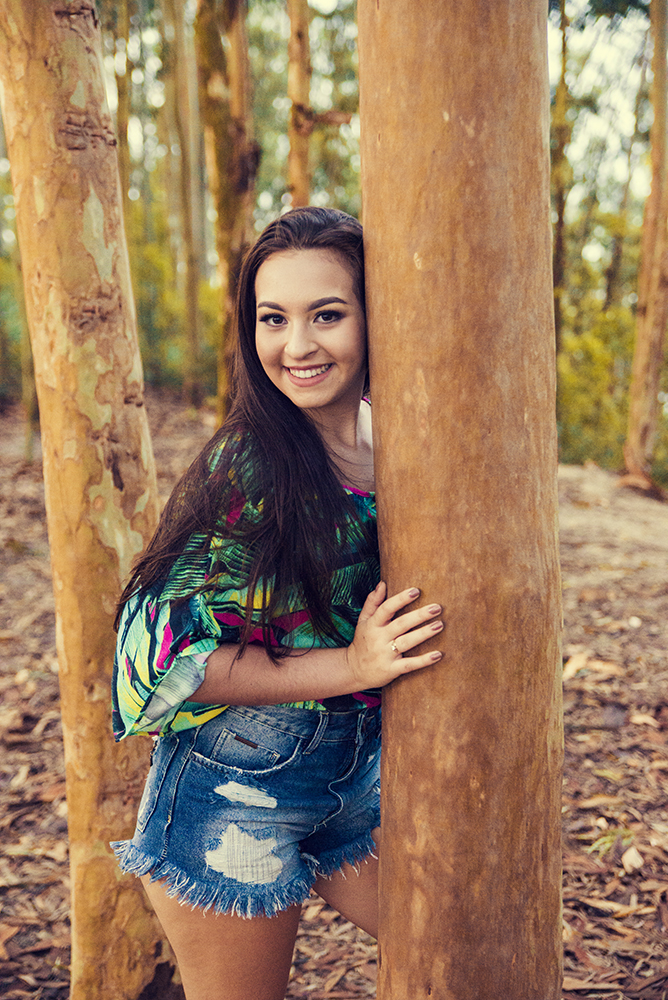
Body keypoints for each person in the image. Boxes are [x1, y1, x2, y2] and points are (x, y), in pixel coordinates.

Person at [111, 206, 444, 1000]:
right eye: (273, 319)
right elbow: (174, 664)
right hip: (232, 793)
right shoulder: (248, 468)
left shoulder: (401, 438)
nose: (297, 346)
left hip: (351, 778)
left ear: (374, 315)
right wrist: (356, 663)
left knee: (463, 939)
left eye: (327, 314)